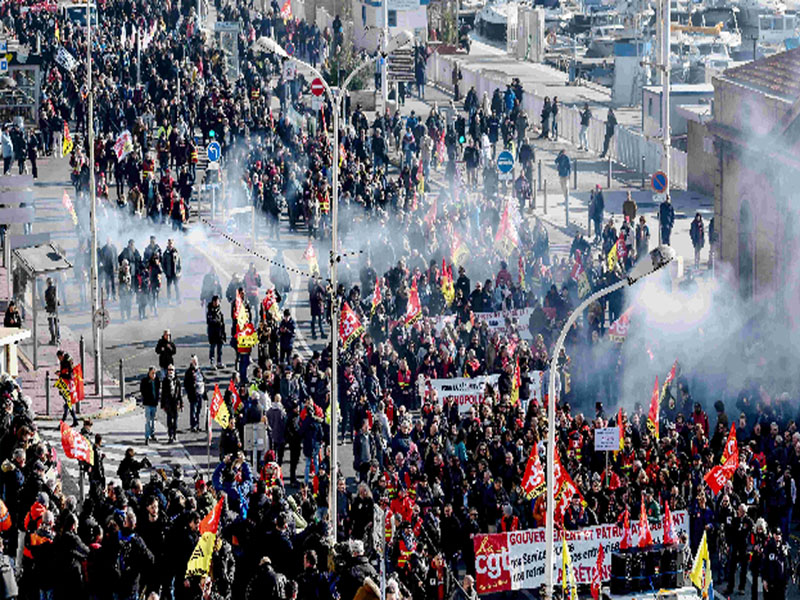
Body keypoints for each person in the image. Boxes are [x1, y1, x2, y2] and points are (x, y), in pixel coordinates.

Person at [184, 355, 206, 433]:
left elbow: (203, 381)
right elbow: (186, 384)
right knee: (193, 410)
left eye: (196, 361)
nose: (195, 362)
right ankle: (193, 426)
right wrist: (190, 392)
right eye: (193, 361)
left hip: (200, 394)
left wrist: (204, 394)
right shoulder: (189, 372)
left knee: (198, 410)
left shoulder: (199, 370)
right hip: (193, 395)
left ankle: (197, 425)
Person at [160, 364, 182, 443]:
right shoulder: (165, 381)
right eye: (169, 370)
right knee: (169, 421)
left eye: (172, 370)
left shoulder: (177, 380)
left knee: (175, 421)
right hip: (168, 403)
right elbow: (163, 393)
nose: (170, 371)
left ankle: (175, 433)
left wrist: (181, 404)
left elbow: (179, 393)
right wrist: (162, 404)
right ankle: (170, 435)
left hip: (175, 403)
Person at [140, 366, 160, 444]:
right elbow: (142, 391)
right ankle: (147, 436)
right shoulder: (145, 381)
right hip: (148, 403)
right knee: (148, 420)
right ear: (149, 373)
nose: (153, 375)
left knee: (153, 420)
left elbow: (158, 390)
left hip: (154, 403)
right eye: (152, 373)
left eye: (154, 373)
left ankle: (152, 434)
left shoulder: (157, 380)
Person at [207, 295, 226, 369]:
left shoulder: (220, 311)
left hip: (220, 333)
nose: (216, 303)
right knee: (212, 348)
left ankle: (219, 362)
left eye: (217, 301)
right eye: (215, 301)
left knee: (220, 349)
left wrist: (224, 334)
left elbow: (222, 323)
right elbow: (210, 321)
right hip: (213, 333)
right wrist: (218, 323)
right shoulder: (210, 311)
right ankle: (212, 362)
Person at [162, 238, 182, 303]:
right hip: (169, 273)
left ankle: (178, 299)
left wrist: (179, 272)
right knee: (169, 287)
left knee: (177, 286)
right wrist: (165, 272)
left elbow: (179, 262)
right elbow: (163, 264)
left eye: (171, 243)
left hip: (175, 273)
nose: (170, 245)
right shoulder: (165, 253)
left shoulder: (176, 252)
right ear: (168, 244)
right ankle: (169, 299)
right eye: (169, 243)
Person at [44, 277, 59, 345]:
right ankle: (57, 337)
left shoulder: (47, 291)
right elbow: (57, 299)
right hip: (55, 308)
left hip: (50, 309)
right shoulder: (55, 289)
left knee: (51, 324)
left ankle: (53, 338)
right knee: (56, 323)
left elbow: (48, 300)